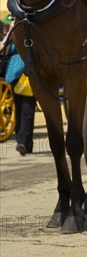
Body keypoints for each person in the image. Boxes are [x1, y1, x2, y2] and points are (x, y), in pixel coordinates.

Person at [1, 15, 36, 156]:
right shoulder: (15, 29)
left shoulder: (25, 29)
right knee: (22, 108)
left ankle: (24, 142)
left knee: (25, 108)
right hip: (18, 72)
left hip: (25, 72)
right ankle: (23, 142)